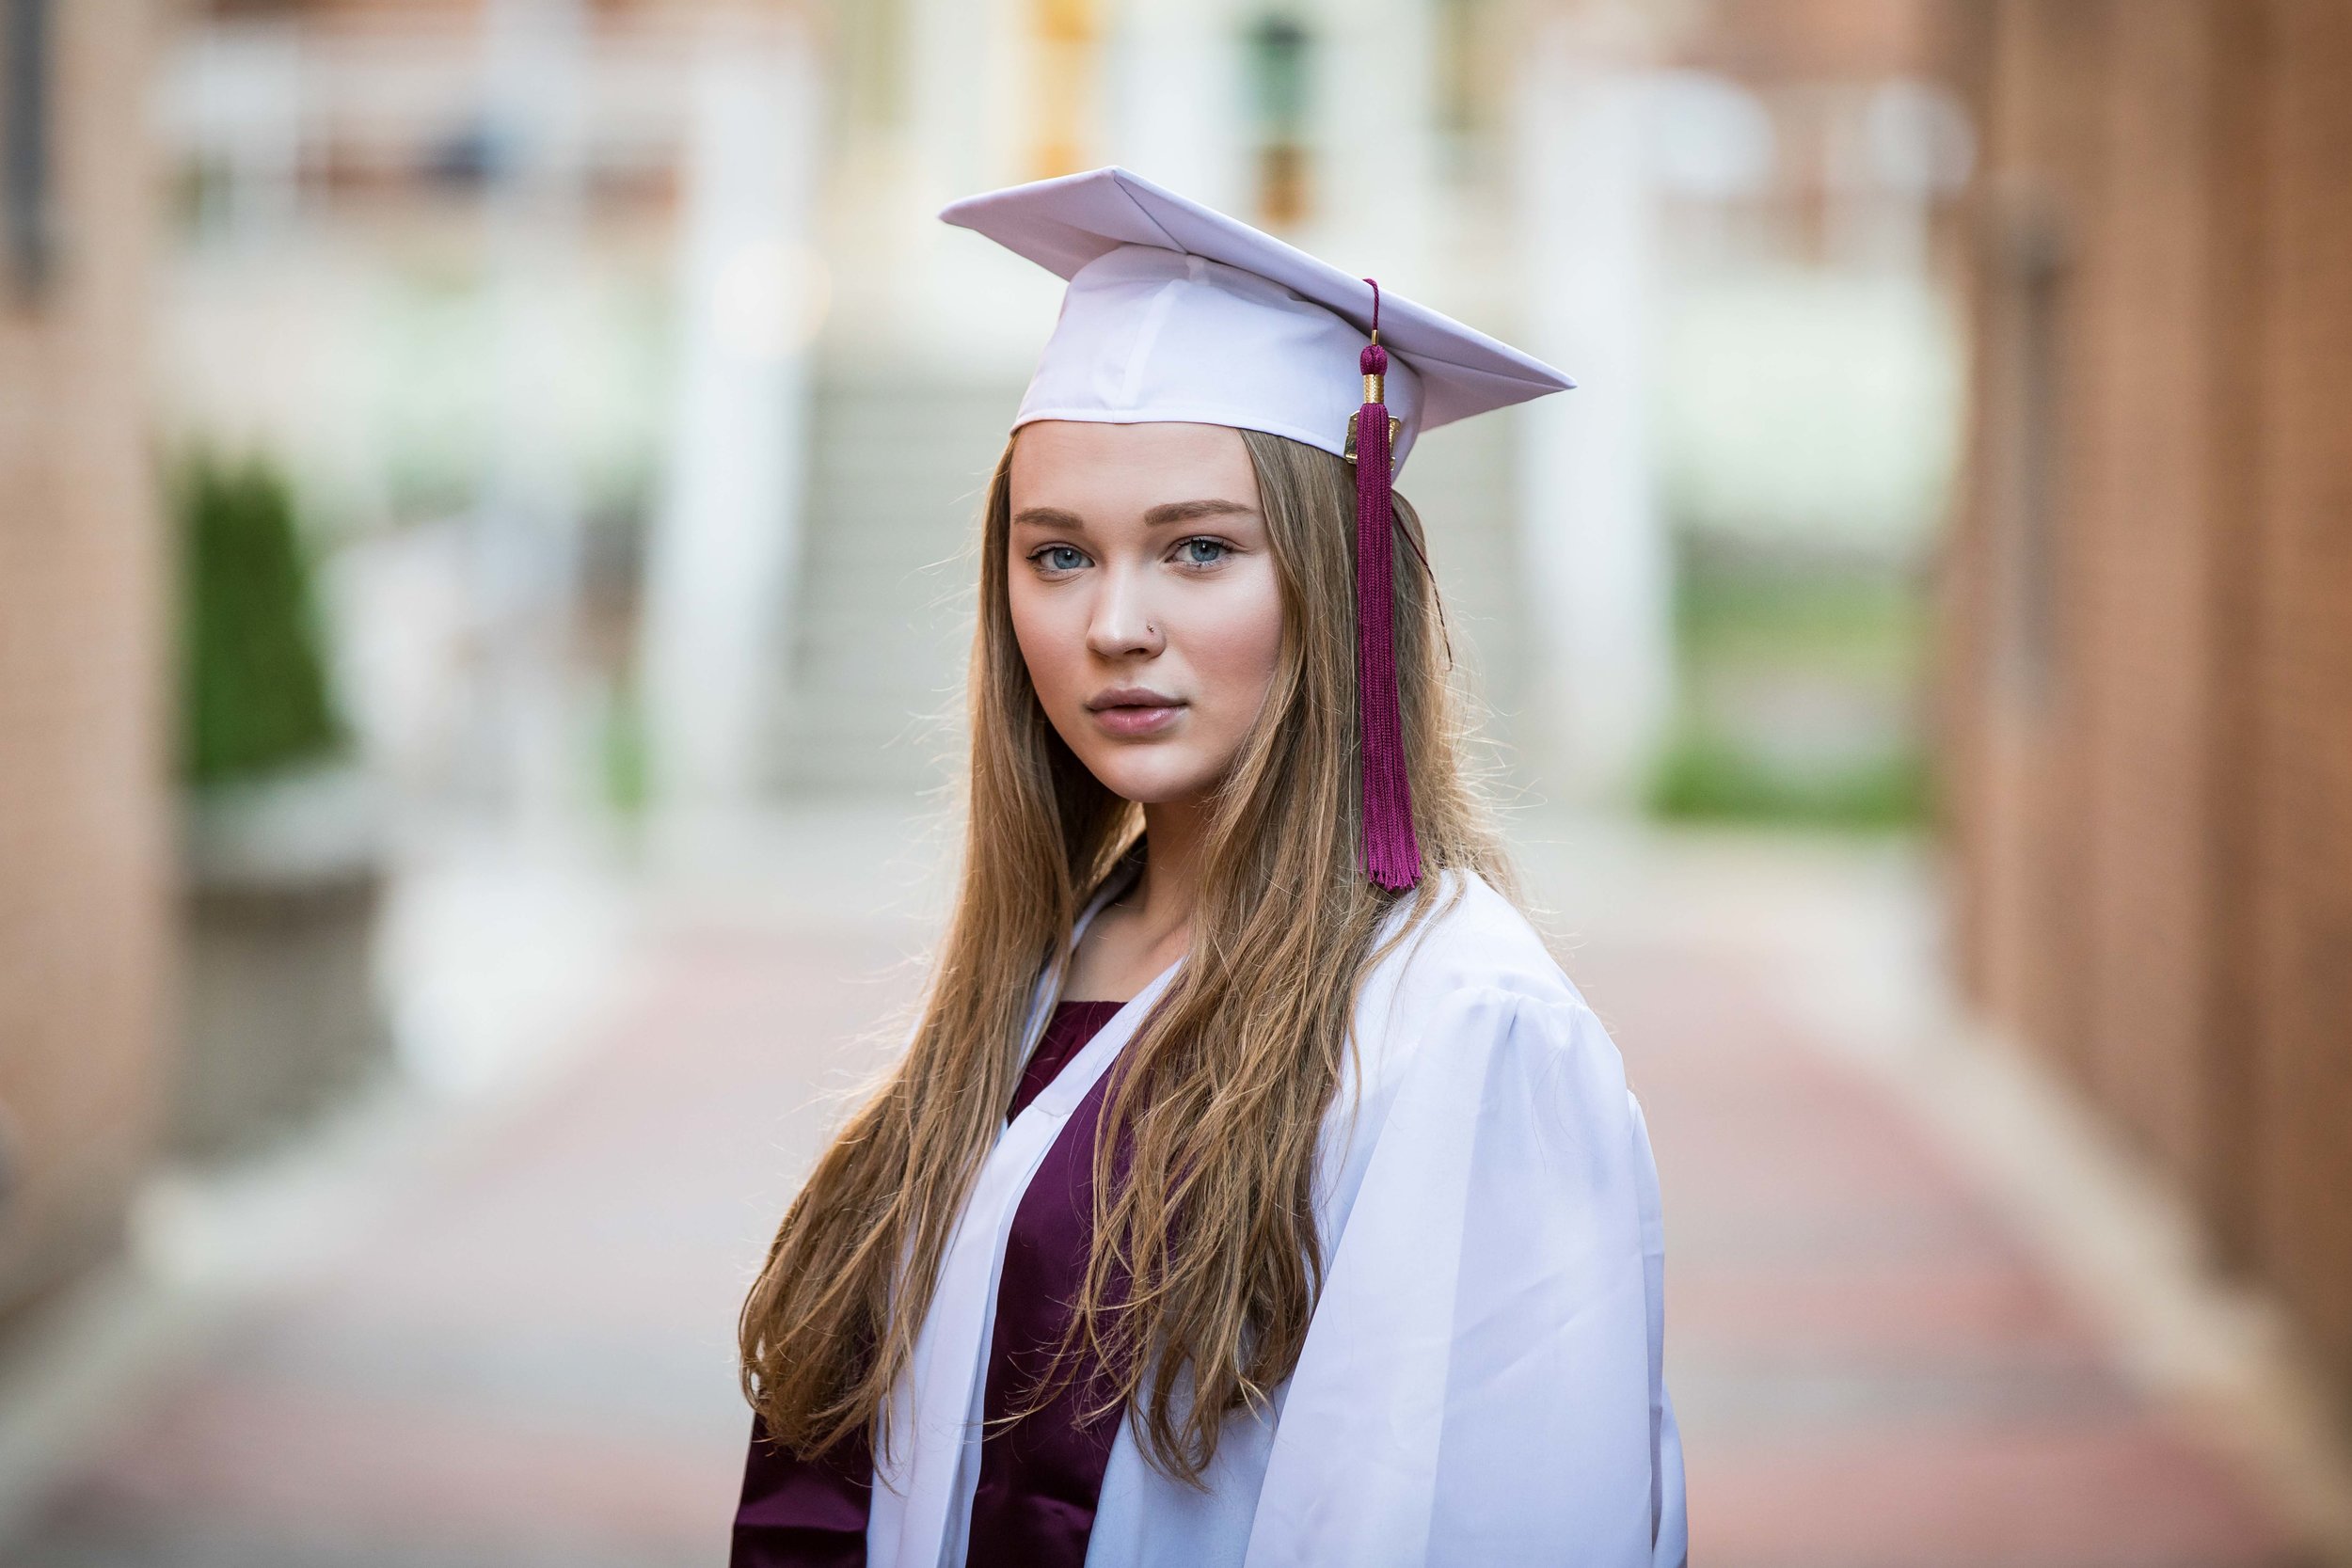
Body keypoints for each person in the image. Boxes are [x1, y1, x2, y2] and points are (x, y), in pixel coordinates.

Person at [731, 166, 1687, 1568]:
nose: (1115, 622)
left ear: (1338, 579)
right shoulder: (1044, 970)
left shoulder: (1458, 1030)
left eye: (1198, 549)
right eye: (1056, 555)